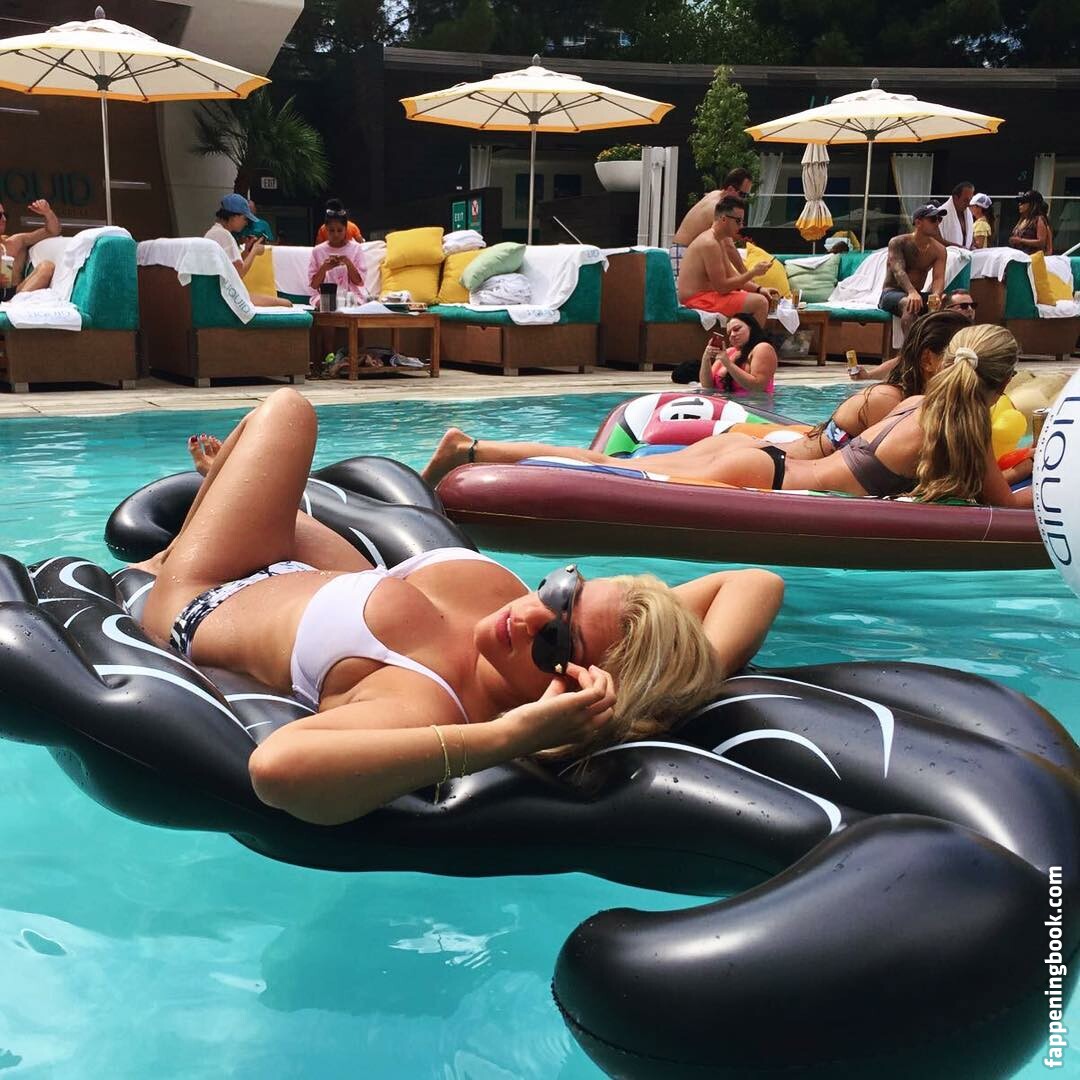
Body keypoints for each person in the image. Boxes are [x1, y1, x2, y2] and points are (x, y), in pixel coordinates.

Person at [134, 389, 784, 825]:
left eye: (556, 643)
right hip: (317, 577)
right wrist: (675, 685)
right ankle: (222, 495)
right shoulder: (573, 629)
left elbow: (276, 771)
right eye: (561, 590)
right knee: (278, 453)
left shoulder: (426, 702)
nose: (528, 615)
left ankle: (167, 555)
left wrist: (510, 737)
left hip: (210, 594)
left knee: (287, 412)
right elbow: (756, 581)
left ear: (569, 695)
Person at [425, 311, 969, 483]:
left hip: (767, 448)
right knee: (611, 470)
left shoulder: (893, 395)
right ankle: (472, 449)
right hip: (768, 457)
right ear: (929, 359)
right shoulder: (896, 402)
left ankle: (474, 449)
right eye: (957, 356)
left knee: (613, 467)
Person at [677, 196, 775, 325]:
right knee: (760, 303)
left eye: (742, 221)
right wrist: (753, 273)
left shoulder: (719, 240)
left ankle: (745, 337)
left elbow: (732, 276)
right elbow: (722, 287)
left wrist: (759, 289)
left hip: (707, 295)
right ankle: (751, 339)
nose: (741, 226)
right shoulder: (710, 243)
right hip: (697, 299)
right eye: (738, 221)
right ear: (723, 219)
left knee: (760, 297)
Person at [309, 202, 375, 370]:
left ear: (346, 229)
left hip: (351, 293)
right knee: (327, 304)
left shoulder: (356, 249)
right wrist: (324, 268)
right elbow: (314, 284)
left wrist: (348, 263)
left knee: (358, 307)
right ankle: (329, 355)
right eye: (331, 231)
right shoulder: (318, 251)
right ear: (325, 230)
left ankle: (359, 354)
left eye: (340, 230)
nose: (336, 234)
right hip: (327, 293)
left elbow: (359, 281)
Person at [205, 193, 292, 308]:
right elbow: (239, 273)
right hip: (227, 297)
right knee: (286, 303)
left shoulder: (214, 232)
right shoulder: (225, 236)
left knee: (283, 302)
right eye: (245, 218)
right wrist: (254, 251)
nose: (246, 223)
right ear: (234, 216)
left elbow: (232, 267)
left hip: (221, 293)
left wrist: (247, 251)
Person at [671, 167, 754, 280]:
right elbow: (729, 247)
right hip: (683, 251)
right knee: (691, 290)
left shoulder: (715, 194)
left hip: (684, 250)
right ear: (730, 189)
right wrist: (747, 276)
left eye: (747, 196)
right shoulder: (717, 209)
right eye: (743, 195)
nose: (743, 200)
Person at [879, 204, 947, 336]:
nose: (937, 223)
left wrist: (936, 295)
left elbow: (938, 278)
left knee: (949, 302)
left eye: (939, 219)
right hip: (891, 293)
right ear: (918, 223)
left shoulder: (939, 250)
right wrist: (911, 291)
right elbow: (898, 271)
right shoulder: (898, 242)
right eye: (933, 219)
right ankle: (911, 347)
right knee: (910, 305)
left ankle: (937, 345)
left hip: (917, 294)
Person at [699, 313, 777, 395]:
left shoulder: (763, 348)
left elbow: (758, 387)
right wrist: (706, 358)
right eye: (729, 333)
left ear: (751, 328)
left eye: (736, 329)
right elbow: (707, 386)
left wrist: (728, 364)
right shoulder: (728, 352)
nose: (732, 335)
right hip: (726, 400)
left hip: (753, 402)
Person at [0, 198, 61, 299]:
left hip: (17, 293)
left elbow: (53, 231)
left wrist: (47, 212)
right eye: (0, 216)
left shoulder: (16, 241)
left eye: (5, 215)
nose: (4, 219)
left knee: (47, 266)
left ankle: (14, 304)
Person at [1009, 190, 1053, 255]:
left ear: (1032, 204)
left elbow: (1041, 242)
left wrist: (1021, 240)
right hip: (1019, 256)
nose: (1020, 204)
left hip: (1032, 257)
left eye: (1023, 202)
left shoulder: (1039, 219)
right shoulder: (1022, 220)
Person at [938, 182, 975, 249]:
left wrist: (972, 246)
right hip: (948, 254)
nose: (968, 204)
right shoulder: (941, 213)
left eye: (970, 200)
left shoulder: (969, 214)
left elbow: (969, 237)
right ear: (955, 198)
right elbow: (937, 239)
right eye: (965, 200)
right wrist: (959, 248)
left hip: (966, 253)